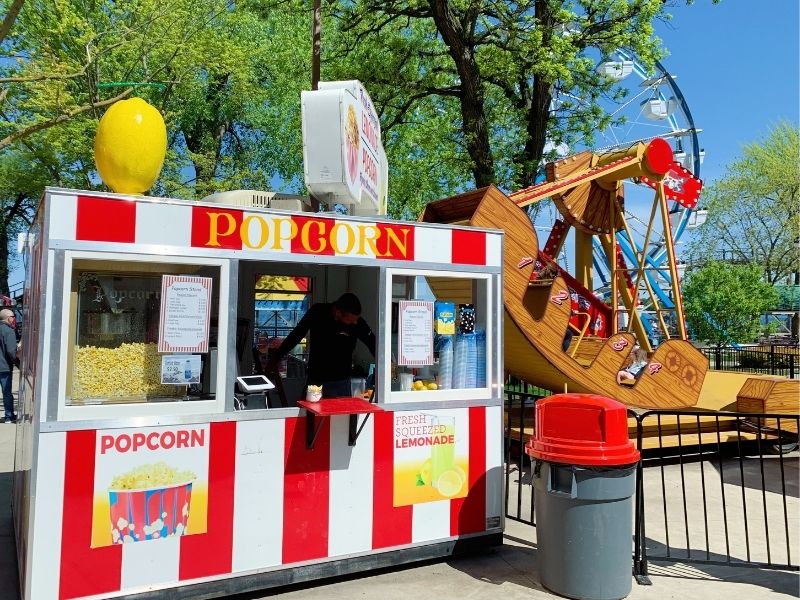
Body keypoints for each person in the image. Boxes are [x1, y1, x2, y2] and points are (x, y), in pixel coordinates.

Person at [267, 293, 375, 398]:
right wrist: (276, 358)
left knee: (340, 416)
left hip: (341, 381)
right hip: (316, 380)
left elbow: (373, 342)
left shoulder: (357, 323)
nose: (355, 323)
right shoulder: (318, 312)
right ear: (338, 312)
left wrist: (387, 366)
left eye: (356, 319)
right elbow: (297, 334)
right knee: (309, 414)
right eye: (350, 320)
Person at [0, 309, 18, 423]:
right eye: (13, 316)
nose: (14, 318)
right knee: (6, 393)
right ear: (8, 318)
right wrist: (19, 363)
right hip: (4, 367)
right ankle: (9, 416)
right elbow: (12, 351)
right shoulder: (9, 331)